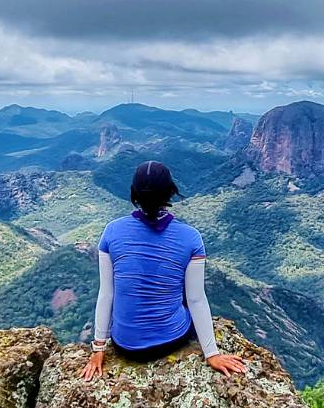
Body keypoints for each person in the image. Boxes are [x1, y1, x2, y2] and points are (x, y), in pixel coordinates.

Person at [81, 160, 247, 380]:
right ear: (171, 193)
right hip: (170, 340)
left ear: (134, 194)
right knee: (185, 293)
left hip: (124, 344)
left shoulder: (111, 232)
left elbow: (106, 293)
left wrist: (98, 349)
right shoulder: (191, 238)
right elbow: (196, 300)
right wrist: (212, 354)